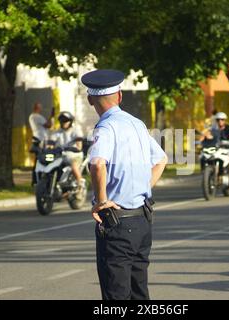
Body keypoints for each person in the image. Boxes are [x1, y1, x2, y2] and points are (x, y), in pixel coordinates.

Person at [81, 69, 168, 300]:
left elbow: (97, 164)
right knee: (139, 293)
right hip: (142, 219)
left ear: (90, 100)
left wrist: (101, 202)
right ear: (119, 96)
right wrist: (141, 186)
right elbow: (161, 159)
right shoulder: (136, 123)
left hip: (117, 223)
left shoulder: (106, 127)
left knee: (116, 296)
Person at [203, 112, 229, 189]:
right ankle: (214, 174)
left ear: (224, 120)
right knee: (208, 156)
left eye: (222, 120)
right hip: (217, 148)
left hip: (228, 148)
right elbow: (208, 135)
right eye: (218, 120)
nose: (220, 121)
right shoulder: (213, 129)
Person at [56, 111, 86, 189]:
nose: (64, 122)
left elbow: (79, 146)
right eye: (62, 121)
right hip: (62, 155)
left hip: (75, 155)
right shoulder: (58, 132)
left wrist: (73, 148)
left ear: (70, 121)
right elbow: (51, 141)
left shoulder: (75, 130)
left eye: (66, 120)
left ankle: (80, 184)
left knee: (73, 166)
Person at [29, 102, 53, 185]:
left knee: (37, 160)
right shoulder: (38, 116)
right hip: (41, 141)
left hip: (36, 139)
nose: (41, 109)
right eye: (40, 107)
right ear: (37, 108)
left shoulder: (31, 116)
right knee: (42, 160)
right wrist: (51, 116)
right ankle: (38, 180)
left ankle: (35, 180)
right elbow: (48, 125)